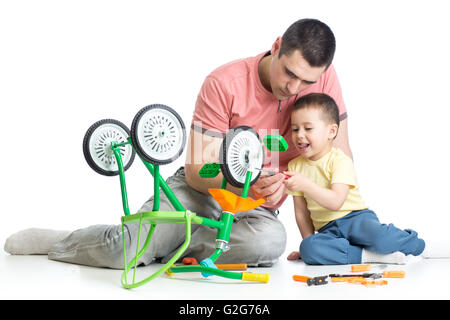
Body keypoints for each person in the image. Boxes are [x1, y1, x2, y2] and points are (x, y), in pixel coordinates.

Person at [4, 19, 352, 268]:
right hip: (198, 192)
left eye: (305, 81)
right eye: (289, 73)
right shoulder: (224, 82)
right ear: (276, 47)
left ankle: (166, 241)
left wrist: (346, 227)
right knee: (125, 253)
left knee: (269, 242)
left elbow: (340, 156)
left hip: (252, 210)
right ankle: (77, 241)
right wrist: (247, 182)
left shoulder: (322, 80)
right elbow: (199, 171)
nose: (294, 89)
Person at [284, 93, 425, 265]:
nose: (299, 135)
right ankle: (368, 256)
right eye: (295, 129)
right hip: (327, 230)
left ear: (331, 131)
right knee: (309, 249)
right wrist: (307, 243)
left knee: (380, 239)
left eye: (308, 128)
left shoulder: (340, 160)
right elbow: (301, 212)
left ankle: (420, 246)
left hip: (356, 219)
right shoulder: (295, 166)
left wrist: (306, 185)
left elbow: (336, 202)